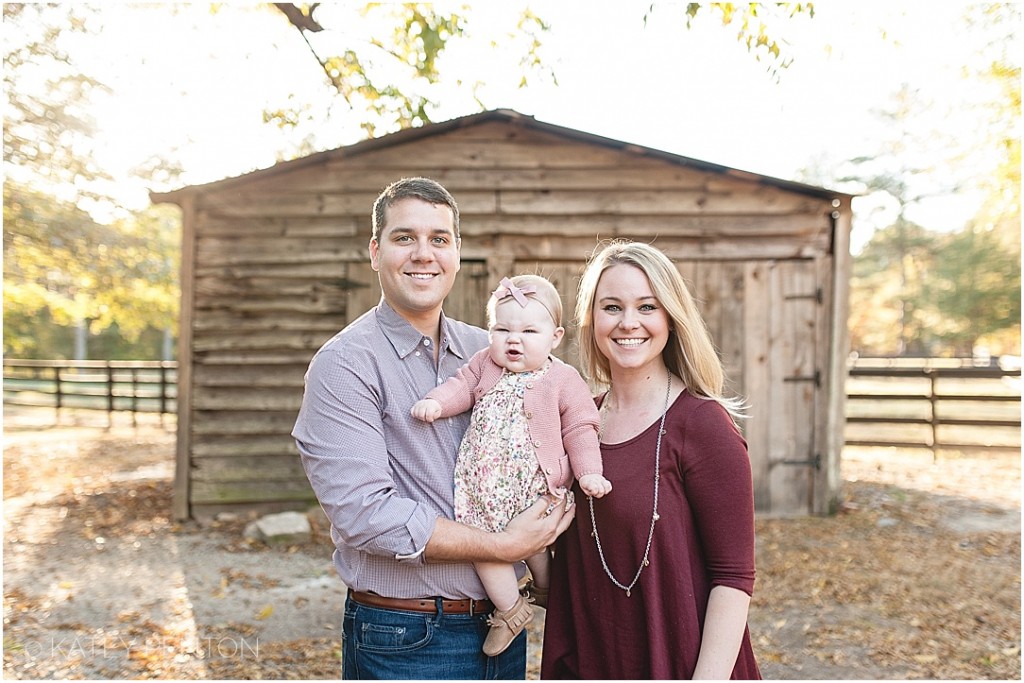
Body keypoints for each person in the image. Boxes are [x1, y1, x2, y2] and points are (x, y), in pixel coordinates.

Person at [292, 177, 576, 680]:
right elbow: (364, 512)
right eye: (405, 238)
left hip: (502, 627)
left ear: (457, 254)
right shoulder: (346, 364)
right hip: (405, 636)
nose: (424, 254)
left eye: (439, 239)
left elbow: (562, 412)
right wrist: (503, 546)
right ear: (375, 252)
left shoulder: (492, 349)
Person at [540, 240, 761, 680]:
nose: (628, 323)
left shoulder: (702, 425)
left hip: (682, 665)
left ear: (671, 319)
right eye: (611, 307)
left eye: (647, 306)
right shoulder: (575, 424)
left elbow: (733, 579)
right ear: (591, 319)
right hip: (592, 662)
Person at [411, 274, 612, 657]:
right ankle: (511, 610)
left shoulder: (562, 379)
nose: (513, 339)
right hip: (481, 491)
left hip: (536, 490)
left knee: (538, 544)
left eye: (527, 331)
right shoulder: (485, 364)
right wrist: (437, 403)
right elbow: (459, 385)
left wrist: (589, 472)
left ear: (555, 336)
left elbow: (582, 427)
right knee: (486, 548)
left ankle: (547, 587)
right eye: (501, 329)